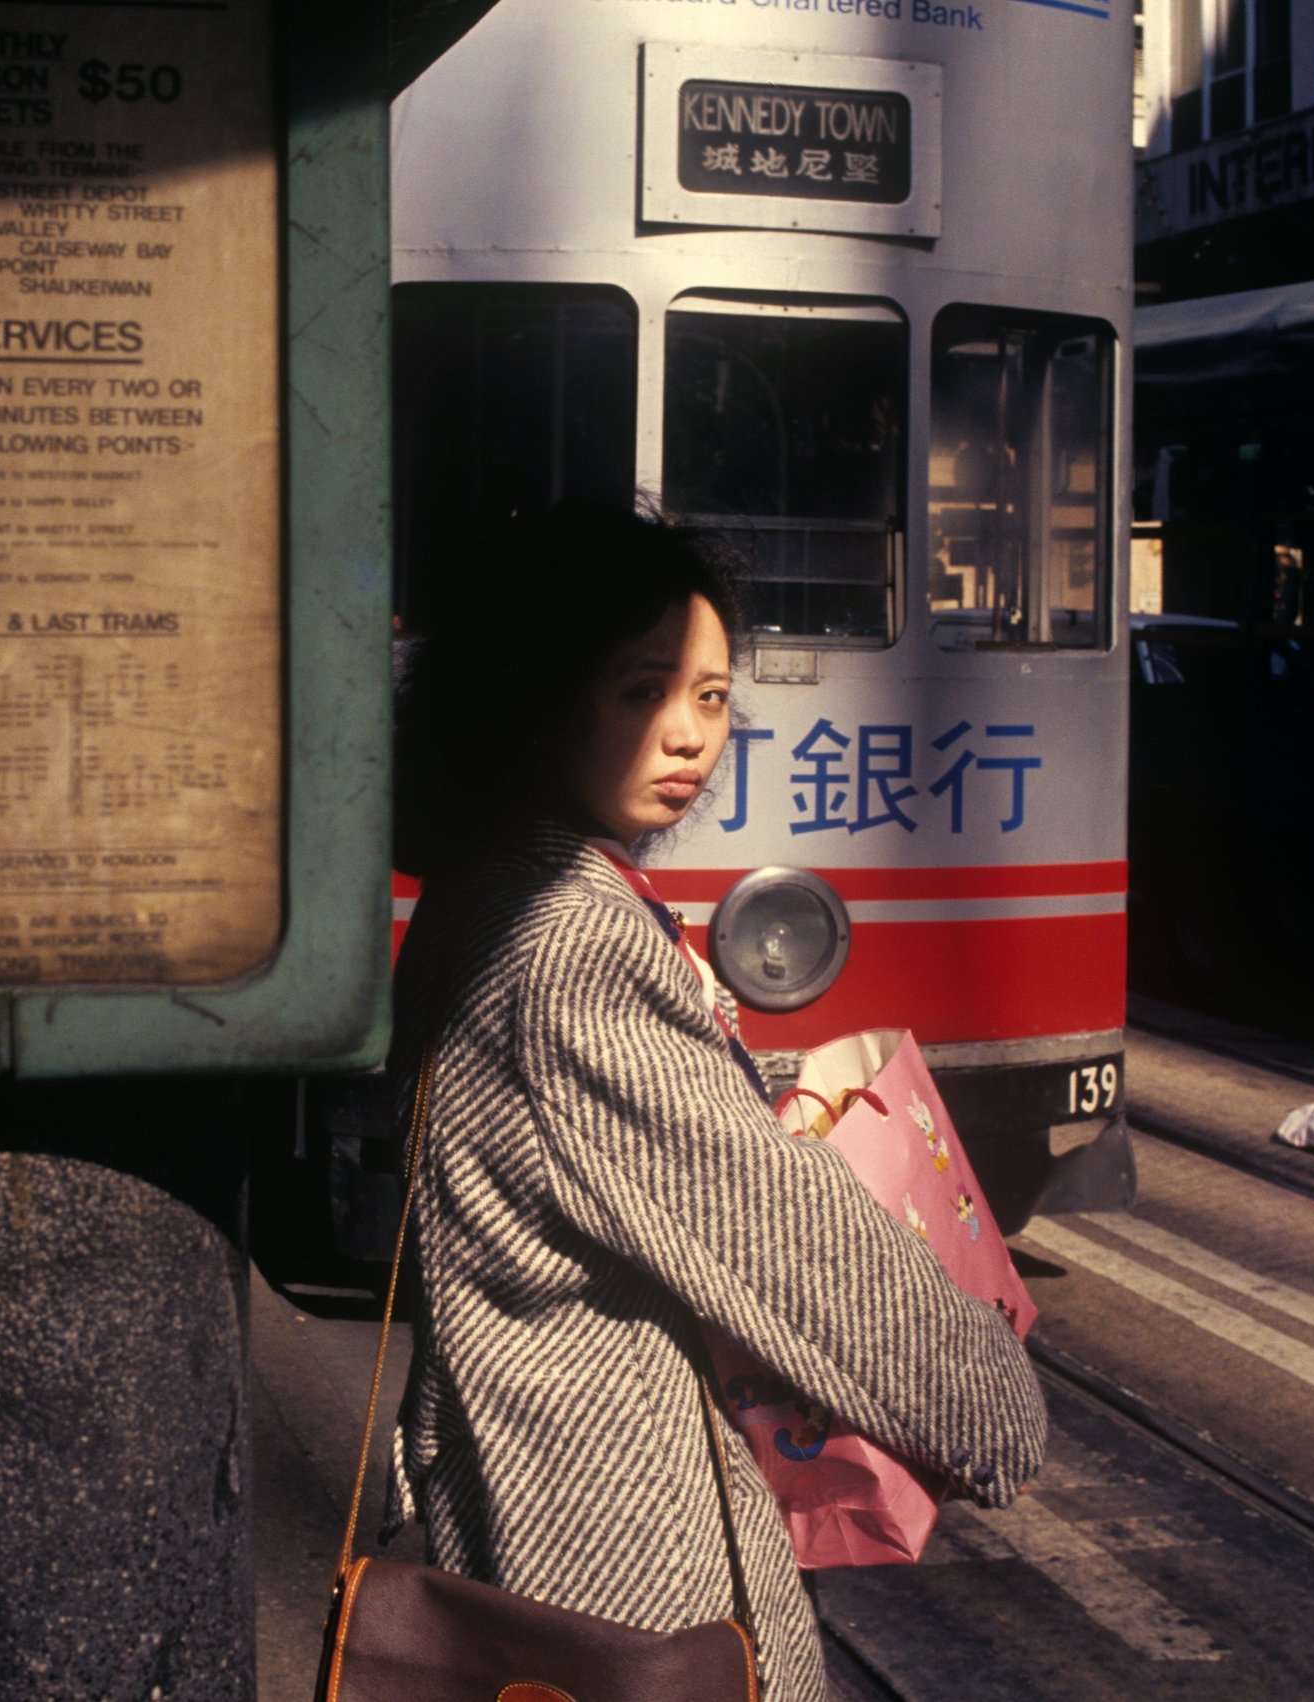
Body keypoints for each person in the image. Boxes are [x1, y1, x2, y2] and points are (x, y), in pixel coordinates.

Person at [385, 504, 1047, 1702]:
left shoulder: (489, 884)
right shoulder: (565, 933)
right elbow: (776, 1230)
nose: (688, 734)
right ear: (537, 694)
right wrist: (987, 1394)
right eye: (644, 689)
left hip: (539, 1481)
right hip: (614, 1533)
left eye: (712, 695)